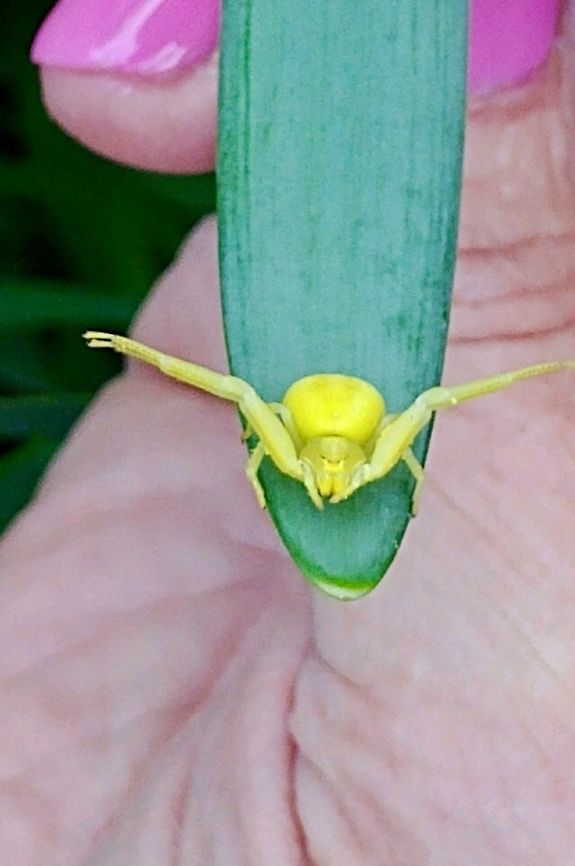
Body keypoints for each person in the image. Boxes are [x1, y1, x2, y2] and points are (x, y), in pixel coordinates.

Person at [0, 0, 572, 862]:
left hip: (321, 399)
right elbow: (398, 406)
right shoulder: (351, 462)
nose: (335, 495)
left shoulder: (327, 460)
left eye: (337, 489)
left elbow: (272, 394)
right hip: (332, 400)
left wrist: (520, 372)